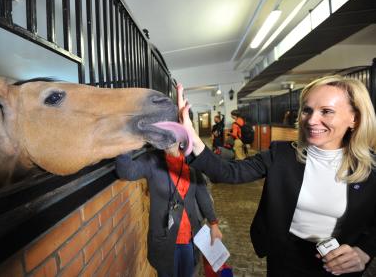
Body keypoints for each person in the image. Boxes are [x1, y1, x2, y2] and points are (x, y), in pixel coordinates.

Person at [177, 76, 376, 276]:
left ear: (355, 118)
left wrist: (364, 251)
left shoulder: (371, 169)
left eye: (326, 111)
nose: (312, 120)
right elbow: (228, 172)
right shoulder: (282, 154)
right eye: (307, 110)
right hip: (284, 257)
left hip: (337, 264)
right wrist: (192, 139)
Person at [116, 142, 223, 277]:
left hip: (189, 239)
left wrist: (214, 223)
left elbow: (202, 195)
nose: (169, 140)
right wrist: (131, 140)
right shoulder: (152, 161)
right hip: (164, 240)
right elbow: (126, 171)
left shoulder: (192, 161)